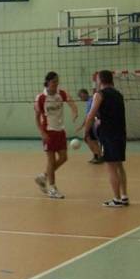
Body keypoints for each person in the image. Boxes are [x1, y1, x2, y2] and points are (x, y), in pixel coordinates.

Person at [83, 70, 129, 207]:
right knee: (119, 165)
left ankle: (116, 199)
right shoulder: (118, 94)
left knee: (111, 167)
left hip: (108, 134)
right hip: (120, 133)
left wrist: (86, 132)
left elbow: (91, 115)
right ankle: (124, 196)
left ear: (100, 80)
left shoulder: (100, 94)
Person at [33, 71, 78, 199]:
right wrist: (42, 132)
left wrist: (75, 112)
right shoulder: (40, 98)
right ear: (47, 82)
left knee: (64, 158)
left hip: (60, 130)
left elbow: (72, 103)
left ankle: (43, 176)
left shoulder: (61, 93)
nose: (56, 83)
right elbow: (37, 118)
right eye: (54, 81)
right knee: (51, 160)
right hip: (48, 131)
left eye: (57, 81)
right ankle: (52, 188)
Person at [77, 88, 103, 164]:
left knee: (89, 139)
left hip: (93, 123)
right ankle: (97, 156)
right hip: (93, 123)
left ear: (84, 94)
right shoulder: (89, 101)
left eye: (80, 96)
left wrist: (85, 126)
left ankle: (99, 156)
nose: (80, 98)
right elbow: (88, 115)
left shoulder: (91, 100)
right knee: (90, 140)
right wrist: (82, 125)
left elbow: (90, 115)